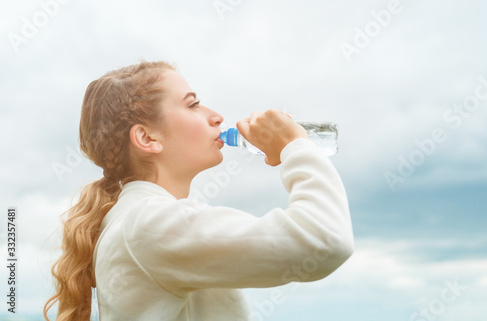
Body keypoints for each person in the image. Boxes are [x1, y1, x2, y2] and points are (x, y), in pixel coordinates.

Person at [43, 60, 354, 321]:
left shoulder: (138, 220)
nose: (216, 116)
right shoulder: (150, 223)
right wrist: (295, 148)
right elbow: (325, 240)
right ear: (148, 139)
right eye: (192, 104)